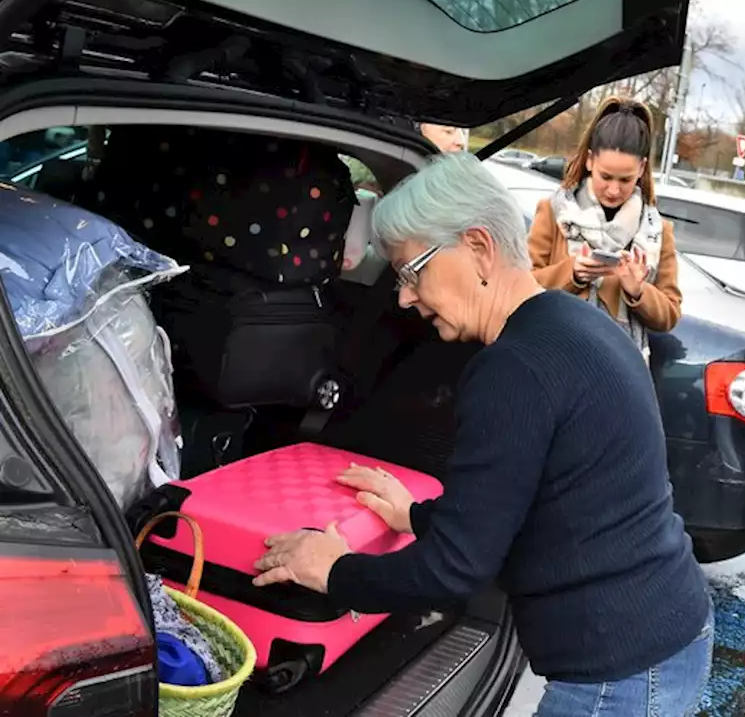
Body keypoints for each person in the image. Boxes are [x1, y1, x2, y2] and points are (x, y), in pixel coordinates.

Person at [250, 153, 713, 716]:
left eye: (411, 270)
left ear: (478, 248)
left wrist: (333, 571)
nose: (403, 297)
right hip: (673, 630)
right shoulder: (580, 323)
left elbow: (456, 567)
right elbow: (541, 502)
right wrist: (419, 517)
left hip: (618, 673)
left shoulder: (512, 370)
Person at [527, 96, 681, 361]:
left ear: (642, 168)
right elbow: (522, 288)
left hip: (622, 372)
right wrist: (572, 273)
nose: (613, 190)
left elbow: (669, 315)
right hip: (553, 360)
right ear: (589, 161)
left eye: (625, 180)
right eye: (605, 176)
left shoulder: (657, 229)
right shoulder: (554, 212)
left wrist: (638, 291)